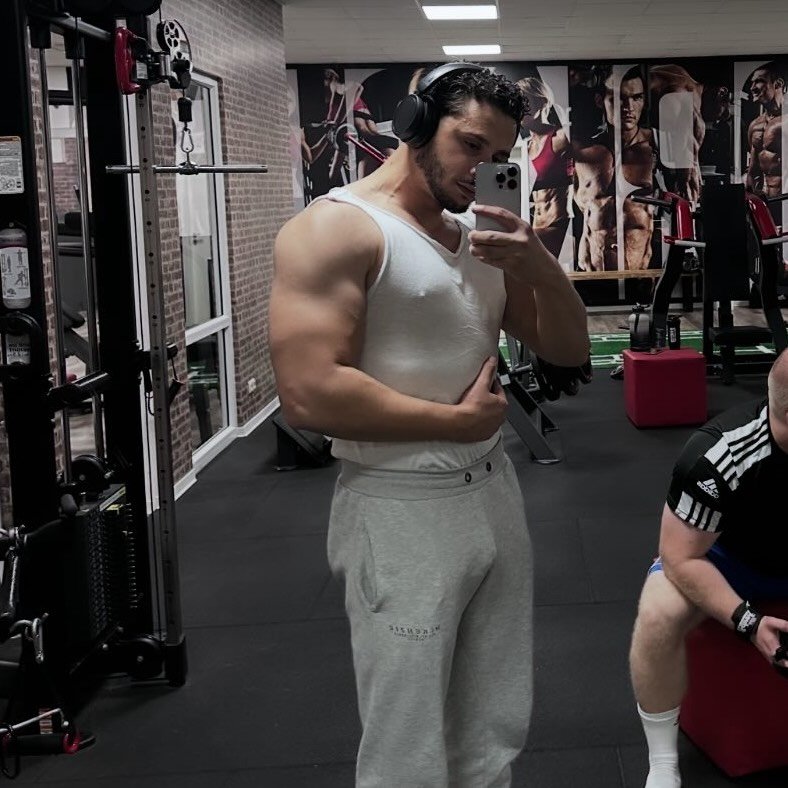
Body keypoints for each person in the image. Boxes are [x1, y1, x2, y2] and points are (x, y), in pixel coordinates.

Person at [268, 62, 589, 787]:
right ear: (414, 126)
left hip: (493, 493)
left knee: (492, 722)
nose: (483, 169)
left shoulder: (482, 237)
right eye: (469, 145)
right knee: (407, 742)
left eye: (498, 155)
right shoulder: (337, 229)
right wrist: (455, 423)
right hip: (399, 508)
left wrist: (540, 265)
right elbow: (309, 394)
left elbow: (568, 349)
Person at [629, 348, 788, 788]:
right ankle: (662, 762)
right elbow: (680, 557)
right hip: (726, 561)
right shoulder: (720, 455)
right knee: (658, 615)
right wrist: (749, 622)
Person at [573, 66, 656, 272]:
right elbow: (585, 207)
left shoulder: (658, 146)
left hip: (639, 269)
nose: (629, 107)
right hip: (592, 267)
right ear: (599, 101)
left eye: (637, 98)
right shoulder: (585, 153)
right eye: (619, 98)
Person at [517, 76, 573, 259]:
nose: (519, 110)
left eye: (525, 102)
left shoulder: (560, 138)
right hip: (536, 223)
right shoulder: (525, 146)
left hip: (557, 223)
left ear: (541, 102)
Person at [744, 61, 786, 200]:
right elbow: (754, 172)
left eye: (759, 81)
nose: (752, 88)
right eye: (752, 83)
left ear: (778, 84)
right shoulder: (755, 126)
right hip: (769, 202)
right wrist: (752, 202)